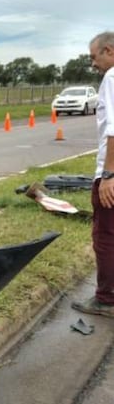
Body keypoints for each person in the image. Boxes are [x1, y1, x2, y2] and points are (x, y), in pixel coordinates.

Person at [72, 31, 114, 316]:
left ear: (108, 50)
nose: (93, 64)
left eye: (94, 57)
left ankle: (106, 299)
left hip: (112, 173)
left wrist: (108, 175)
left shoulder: (112, 78)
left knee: (105, 236)